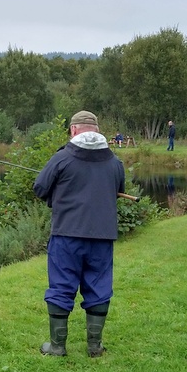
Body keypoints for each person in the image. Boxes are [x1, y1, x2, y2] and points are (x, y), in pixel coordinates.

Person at [33, 110, 125, 357]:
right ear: (96, 130)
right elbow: (118, 189)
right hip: (102, 237)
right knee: (99, 286)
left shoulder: (62, 158)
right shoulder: (115, 162)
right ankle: (94, 347)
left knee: (62, 286)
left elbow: (40, 189)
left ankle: (57, 346)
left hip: (67, 235)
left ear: (73, 130)